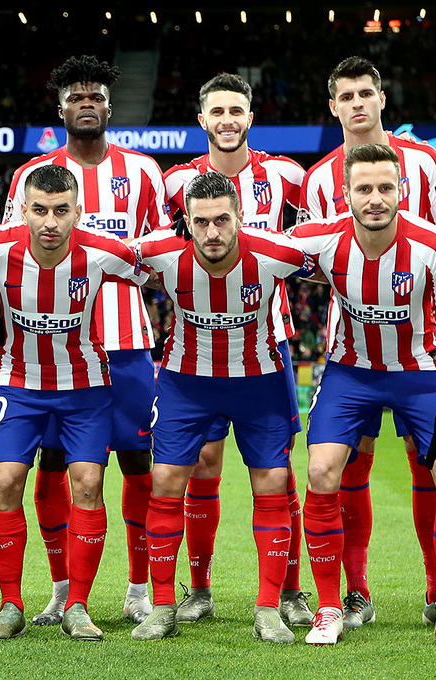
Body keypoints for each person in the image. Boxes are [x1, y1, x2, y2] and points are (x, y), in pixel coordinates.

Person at [299, 56, 436, 631]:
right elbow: (311, 257)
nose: (357, 104)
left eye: (365, 93)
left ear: (380, 98)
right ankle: (356, 593)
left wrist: (409, 269)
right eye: (345, 96)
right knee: (349, 468)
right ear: (334, 106)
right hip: (353, 350)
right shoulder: (319, 178)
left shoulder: (424, 160)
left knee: (434, 469)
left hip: (421, 348)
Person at [5, 55, 170, 625]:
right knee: (54, 469)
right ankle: (60, 587)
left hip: (124, 345)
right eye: (75, 97)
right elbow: (9, 252)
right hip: (51, 353)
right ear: (61, 109)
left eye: (94, 96)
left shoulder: (144, 172)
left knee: (136, 465)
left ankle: (139, 586)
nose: (86, 104)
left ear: (108, 105)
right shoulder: (32, 176)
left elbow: (161, 254)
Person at [132, 172, 314, 642]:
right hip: (186, 383)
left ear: (239, 218)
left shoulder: (277, 254)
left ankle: (269, 608)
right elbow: (96, 254)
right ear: (186, 223)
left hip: (259, 382)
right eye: (201, 223)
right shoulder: (160, 255)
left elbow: (340, 258)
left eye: (222, 221)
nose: (213, 233)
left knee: (274, 482)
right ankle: (165, 606)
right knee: (167, 481)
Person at [162, 72, 312, 627]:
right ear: (201, 120)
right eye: (216, 111)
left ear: (251, 118)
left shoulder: (287, 176)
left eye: (237, 110)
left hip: (265, 340)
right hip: (195, 346)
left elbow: (315, 240)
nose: (227, 120)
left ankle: (290, 589)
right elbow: (158, 257)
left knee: (276, 471)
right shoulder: (176, 181)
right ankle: (198, 590)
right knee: (201, 464)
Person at [0, 165, 151, 641]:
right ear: (23, 211)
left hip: (87, 389)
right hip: (19, 385)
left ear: (78, 212)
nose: (50, 222)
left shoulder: (101, 253)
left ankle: (77, 604)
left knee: (88, 485)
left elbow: (162, 263)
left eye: (60, 211)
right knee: (7, 481)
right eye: (39, 210)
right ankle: (10, 603)